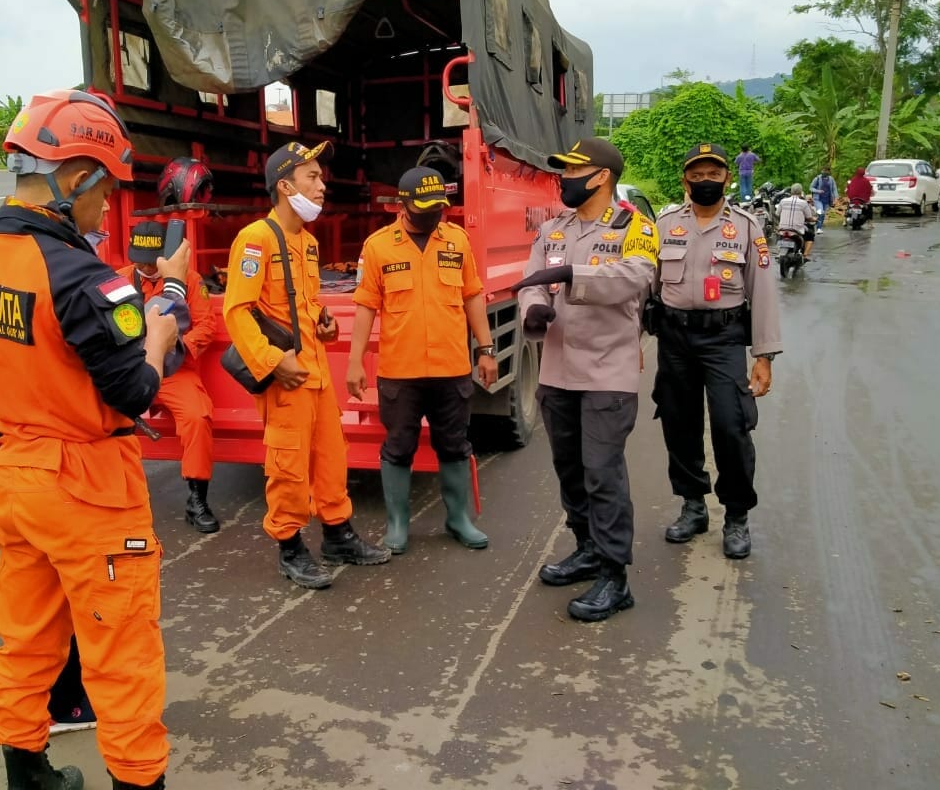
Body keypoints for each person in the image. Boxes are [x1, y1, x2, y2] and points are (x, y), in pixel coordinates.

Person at [0, 90, 185, 790]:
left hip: (15, 474)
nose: (103, 206)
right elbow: (137, 391)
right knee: (122, 650)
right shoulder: (82, 276)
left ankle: (27, 773)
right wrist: (163, 322)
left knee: (26, 636)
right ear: (76, 176)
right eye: (104, 188)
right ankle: (139, 781)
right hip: (87, 483)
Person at [223, 140, 390, 589]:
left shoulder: (308, 243)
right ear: (284, 185)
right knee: (288, 465)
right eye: (311, 177)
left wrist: (323, 321)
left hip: (315, 374)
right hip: (286, 377)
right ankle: (290, 546)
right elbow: (237, 311)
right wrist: (274, 363)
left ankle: (338, 534)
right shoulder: (255, 239)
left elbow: (303, 302)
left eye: (321, 177)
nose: (322, 186)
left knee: (331, 459)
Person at [513, 137, 659, 622]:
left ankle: (616, 577)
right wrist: (534, 310)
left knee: (602, 473)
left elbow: (635, 276)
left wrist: (573, 277)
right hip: (557, 372)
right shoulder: (554, 228)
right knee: (570, 470)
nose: (563, 179)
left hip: (606, 373)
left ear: (601, 176)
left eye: (573, 171)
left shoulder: (634, 226)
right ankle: (587, 548)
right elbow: (534, 275)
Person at [346, 166, 497, 554]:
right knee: (398, 447)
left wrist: (486, 349)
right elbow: (365, 306)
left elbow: (473, 296)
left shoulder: (457, 241)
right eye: (425, 207)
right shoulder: (379, 246)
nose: (434, 214)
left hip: (452, 368)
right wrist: (355, 361)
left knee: (455, 444)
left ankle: (458, 518)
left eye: (439, 207)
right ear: (403, 204)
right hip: (401, 371)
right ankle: (397, 523)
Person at [652, 143, 781, 560]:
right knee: (679, 423)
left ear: (727, 178)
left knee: (731, 425)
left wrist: (763, 355)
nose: (705, 180)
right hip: (673, 338)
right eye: (697, 174)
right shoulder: (664, 223)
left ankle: (737, 515)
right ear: (684, 179)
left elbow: (763, 290)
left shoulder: (746, 227)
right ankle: (692, 506)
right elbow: (645, 287)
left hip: (724, 339)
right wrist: (630, 343)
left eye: (714, 173)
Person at [119, 220, 221, 533]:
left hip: (175, 370)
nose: (147, 267)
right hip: (131, 368)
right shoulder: (118, 281)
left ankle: (196, 499)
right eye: (141, 260)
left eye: (152, 261)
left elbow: (206, 327)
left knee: (197, 417)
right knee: (98, 415)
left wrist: (175, 346)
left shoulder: (189, 280)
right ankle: (112, 494)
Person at [776, 184, 817, 260]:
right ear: (801, 192)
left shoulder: (783, 201)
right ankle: (805, 255)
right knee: (810, 235)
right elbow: (809, 217)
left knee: (778, 235)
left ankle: (779, 252)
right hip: (797, 229)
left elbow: (777, 214)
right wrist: (814, 219)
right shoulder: (803, 203)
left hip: (782, 228)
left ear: (791, 191)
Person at [809, 167, 837, 231]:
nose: (825, 172)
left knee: (822, 213)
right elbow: (811, 188)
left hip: (827, 200)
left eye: (826, 171)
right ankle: (819, 228)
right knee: (820, 212)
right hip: (818, 199)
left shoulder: (831, 179)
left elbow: (834, 188)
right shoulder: (817, 178)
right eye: (824, 170)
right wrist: (818, 191)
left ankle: (819, 224)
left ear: (829, 172)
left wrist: (835, 197)